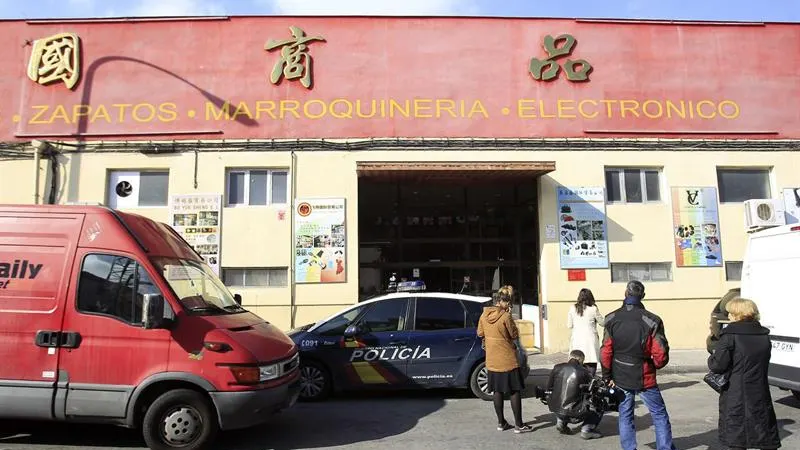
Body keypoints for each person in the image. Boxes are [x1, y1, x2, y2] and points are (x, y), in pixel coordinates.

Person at [600, 280, 676, 450]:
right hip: (645, 374)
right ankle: (664, 447)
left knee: (625, 415)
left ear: (625, 293)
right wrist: (656, 364)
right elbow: (660, 353)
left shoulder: (611, 318)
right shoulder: (652, 320)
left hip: (620, 374)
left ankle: (629, 448)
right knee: (658, 414)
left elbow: (605, 351)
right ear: (642, 296)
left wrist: (607, 376)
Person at [707, 297, 781, 450]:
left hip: (736, 393)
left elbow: (717, 366)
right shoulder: (764, 336)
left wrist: (713, 353)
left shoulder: (729, 336)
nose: (727, 316)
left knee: (737, 436)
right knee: (762, 431)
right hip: (760, 391)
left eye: (730, 313)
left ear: (737, 314)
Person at [477, 287, 533, 434]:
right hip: (507, 359)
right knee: (514, 390)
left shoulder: (484, 315)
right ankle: (519, 425)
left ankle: (501, 423)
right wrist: (510, 319)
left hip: (492, 359)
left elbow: (480, 333)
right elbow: (514, 334)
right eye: (509, 303)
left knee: (497, 391)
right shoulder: (506, 317)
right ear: (506, 302)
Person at [546, 350, 603, 440]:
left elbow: (549, 387)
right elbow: (591, 390)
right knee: (600, 403)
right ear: (581, 360)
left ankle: (561, 421)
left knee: (559, 399)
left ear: (570, 357)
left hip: (557, 409)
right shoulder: (585, 372)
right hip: (576, 412)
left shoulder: (557, 367)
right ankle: (586, 430)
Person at [568, 288, 605, 376]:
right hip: (590, 340)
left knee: (577, 363)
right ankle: (590, 384)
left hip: (577, 340)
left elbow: (569, 325)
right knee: (591, 362)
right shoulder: (593, 309)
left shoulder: (572, 308)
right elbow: (603, 323)